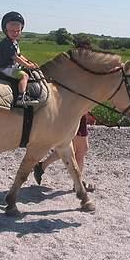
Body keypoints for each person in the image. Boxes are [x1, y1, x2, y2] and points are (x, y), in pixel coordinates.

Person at [33, 37, 96, 192]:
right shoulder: (74, 72)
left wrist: (87, 111)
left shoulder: (79, 71)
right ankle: (77, 183)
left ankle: (43, 165)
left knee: (75, 148)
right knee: (77, 149)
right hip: (71, 115)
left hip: (75, 113)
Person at [33, 112, 97, 192]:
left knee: (73, 148)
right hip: (75, 113)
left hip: (75, 113)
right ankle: (78, 184)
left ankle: (41, 166)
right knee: (79, 149)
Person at [0, 11, 39, 107]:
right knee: (24, 76)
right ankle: (21, 97)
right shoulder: (6, 43)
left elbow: (19, 55)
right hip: (5, 68)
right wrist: (27, 65)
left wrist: (29, 62)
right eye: (12, 31)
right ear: (6, 30)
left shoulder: (14, 42)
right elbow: (15, 57)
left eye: (18, 31)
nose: (15, 33)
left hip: (12, 66)